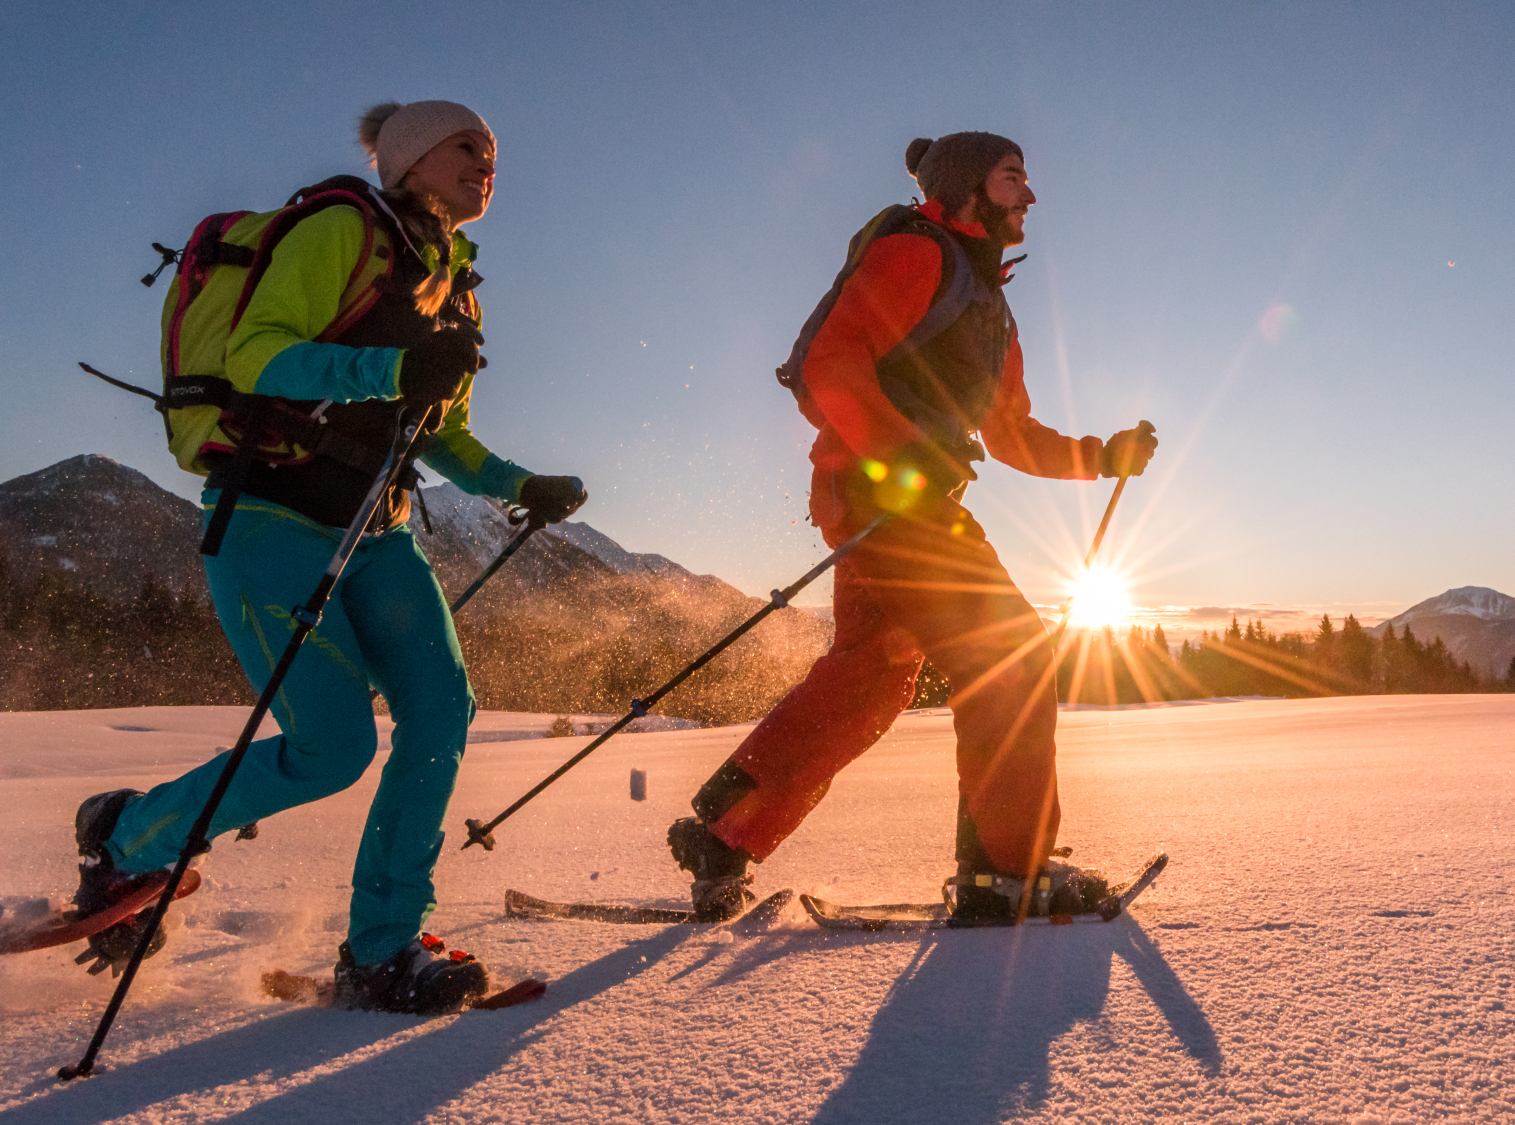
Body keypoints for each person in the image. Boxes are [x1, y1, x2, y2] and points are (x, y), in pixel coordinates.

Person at [72, 101, 587, 1013]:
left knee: (439, 710)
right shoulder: (344, 226)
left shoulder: (454, 279)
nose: (486, 163)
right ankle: (128, 839)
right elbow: (257, 355)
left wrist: (520, 480)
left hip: (376, 528)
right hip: (269, 518)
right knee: (333, 747)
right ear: (409, 156)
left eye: (493, 153)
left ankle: (384, 946)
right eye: (466, 146)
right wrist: (392, 372)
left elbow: (443, 435)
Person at [669, 131, 1159, 925]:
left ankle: (725, 833)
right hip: (884, 496)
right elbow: (833, 359)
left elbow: (1012, 434)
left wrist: (1103, 456)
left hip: (895, 498)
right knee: (1010, 652)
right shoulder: (916, 253)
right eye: (1011, 179)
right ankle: (1008, 872)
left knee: (872, 675)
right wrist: (902, 460)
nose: (1029, 196)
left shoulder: (989, 304)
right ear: (967, 187)